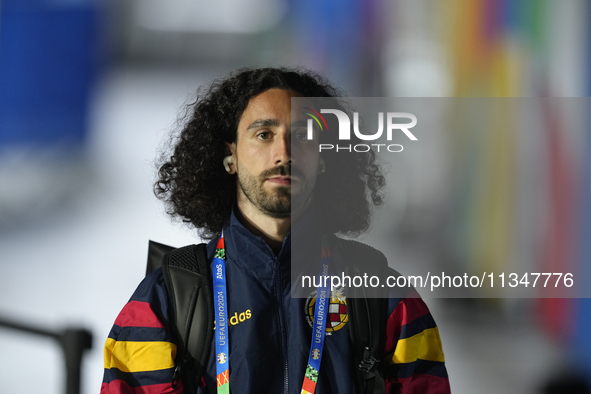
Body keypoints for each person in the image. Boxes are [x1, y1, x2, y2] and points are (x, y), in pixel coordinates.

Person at [100, 67, 451, 394]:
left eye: (302, 135)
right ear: (230, 156)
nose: (283, 153)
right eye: (264, 134)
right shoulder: (166, 298)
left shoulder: (385, 298)